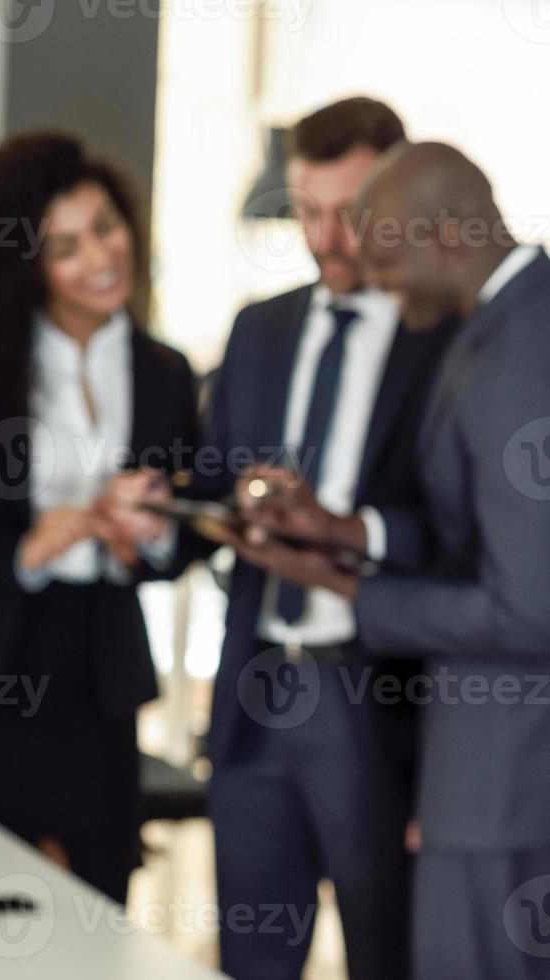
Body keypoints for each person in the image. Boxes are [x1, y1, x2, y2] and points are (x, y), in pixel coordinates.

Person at [225, 141, 550, 980]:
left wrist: (344, 590)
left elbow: (528, 608)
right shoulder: (502, 324)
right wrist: (338, 533)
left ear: (446, 235)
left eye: (386, 259)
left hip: (504, 780)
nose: (372, 280)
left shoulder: (519, 357)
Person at [152, 98, 451, 980]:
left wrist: (348, 528)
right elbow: (211, 489)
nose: (326, 236)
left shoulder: (446, 338)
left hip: (376, 693)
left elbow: (467, 532)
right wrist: (178, 510)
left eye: (350, 212)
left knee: (383, 953)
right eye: (308, 210)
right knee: (251, 958)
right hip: (252, 694)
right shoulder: (261, 328)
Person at [0, 133, 197, 904]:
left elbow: (190, 529)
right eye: (64, 245)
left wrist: (152, 535)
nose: (99, 256)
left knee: (93, 919)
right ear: (24, 265)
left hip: (99, 679)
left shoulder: (164, 373)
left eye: (104, 226)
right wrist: (24, 549)